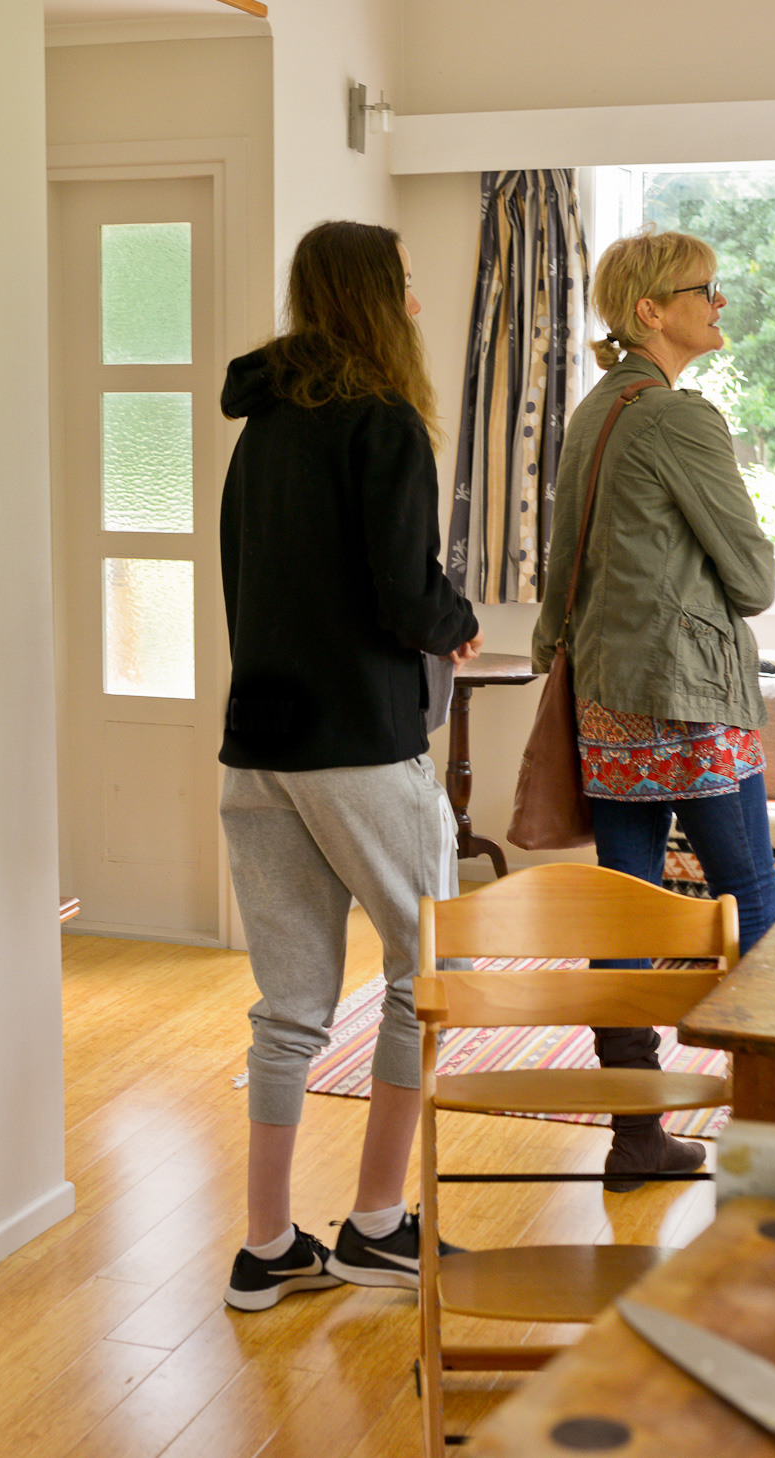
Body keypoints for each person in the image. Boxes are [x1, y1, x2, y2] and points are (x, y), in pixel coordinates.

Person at [217, 221, 481, 1311]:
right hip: (360, 748)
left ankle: (267, 1246)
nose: (418, 301)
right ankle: (378, 1224)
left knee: (289, 1004)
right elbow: (404, 592)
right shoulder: (383, 424)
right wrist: (455, 619)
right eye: (408, 285)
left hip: (257, 750)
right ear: (379, 298)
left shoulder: (263, 427)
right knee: (433, 973)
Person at [531, 228, 775, 1192]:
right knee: (750, 900)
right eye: (704, 290)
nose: (719, 304)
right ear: (651, 311)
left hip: (609, 695)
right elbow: (753, 577)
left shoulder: (594, 410)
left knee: (624, 913)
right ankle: (770, 1131)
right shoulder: (679, 417)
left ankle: (635, 1136)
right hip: (691, 696)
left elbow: (562, 570)